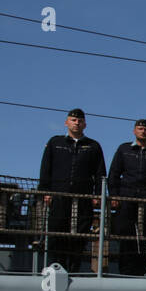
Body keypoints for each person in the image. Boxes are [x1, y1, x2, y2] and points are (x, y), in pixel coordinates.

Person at [38, 108, 106, 273]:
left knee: (80, 233)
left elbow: (100, 173)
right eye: (73, 120)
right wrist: (44, 191)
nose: (76, 123)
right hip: (58, 195)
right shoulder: (55, 143)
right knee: (56, 232)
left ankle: (74, 268)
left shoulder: (93, 146)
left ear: (85, 124)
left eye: (80, 121)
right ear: (66, 122)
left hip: (83, 197)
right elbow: (46, 168)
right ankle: (56, 267)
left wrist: (98, 194)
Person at [107, 118, 146, 276]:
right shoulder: (124, 149)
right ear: (134, 131)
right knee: (126, 236)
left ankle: (141, 271)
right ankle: (125, 271)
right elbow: (113, 174)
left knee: (144, 236)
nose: (143, 131)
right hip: (126, 197)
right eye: (140, 129)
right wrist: (114, 195)